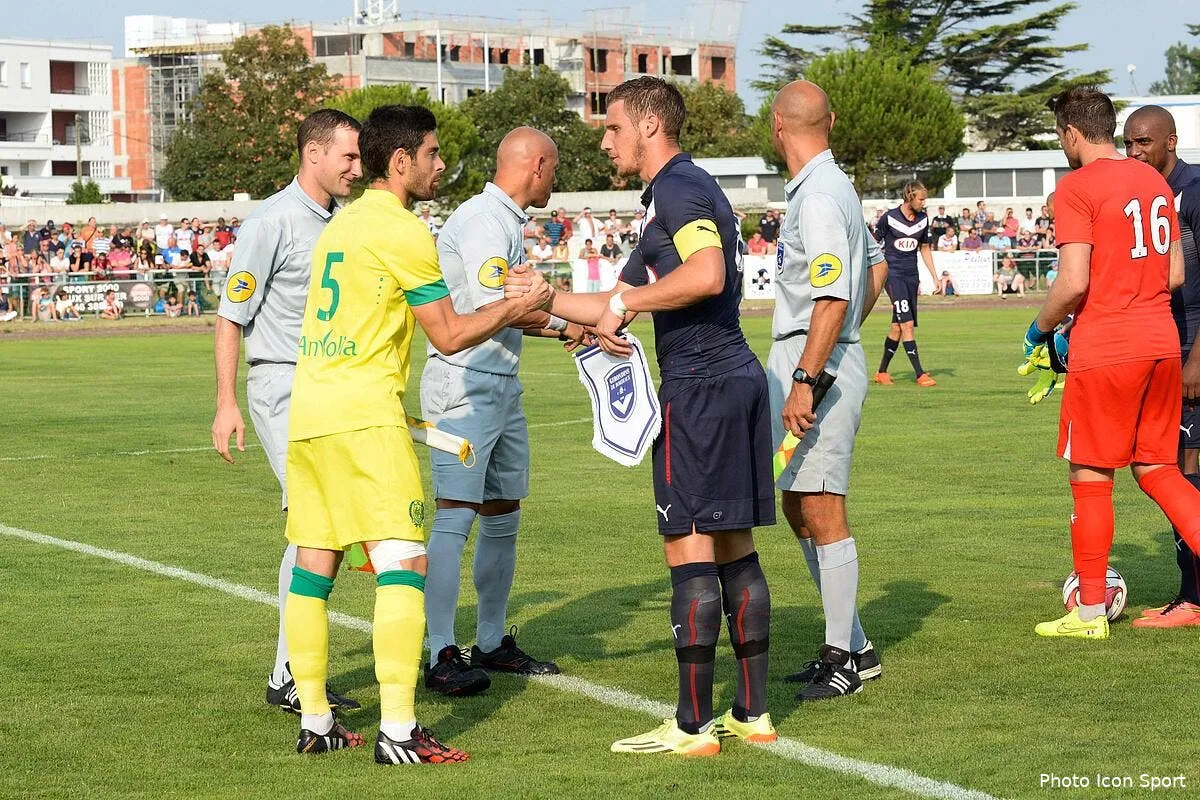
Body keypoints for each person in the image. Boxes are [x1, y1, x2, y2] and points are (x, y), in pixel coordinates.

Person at [283, 104, 554, 763]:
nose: (440, 165)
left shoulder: (340, 226)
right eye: (432, 154)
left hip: (310, 413)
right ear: (400, 161)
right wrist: (519, 305)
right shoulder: (402, 230)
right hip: (366, 417)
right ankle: (399, 730)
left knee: (313, 570)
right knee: (404, 565)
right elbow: (451, 333)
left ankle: (315, 720)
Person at [516, 76, 777, 756]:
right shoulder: (672, 196)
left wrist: (627, 309)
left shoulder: (679, 188)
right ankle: (753, 713)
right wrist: (544, 300)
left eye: (612, 128)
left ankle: (693, 728)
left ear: (649, 127)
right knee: (734, 546)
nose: (604, 141)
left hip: (703, 388)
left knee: (689, 546)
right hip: (733, 381)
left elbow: (707, 275)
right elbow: (617, 297)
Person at [1025, 86, 1200, 640]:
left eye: (1061, 136)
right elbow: (1174, 275)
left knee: (1091, 474)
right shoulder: (1152, 179)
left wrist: (1040, 328)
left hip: (1108, 348)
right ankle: (1092, 609)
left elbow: (1073, 281)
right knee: (1160, 469)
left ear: (1072, 134)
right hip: (1162, 342)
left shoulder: (1076, 187)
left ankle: (1090, 612)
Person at [210, 109, 365, 716]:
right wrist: (226, 403)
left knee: (317, 526)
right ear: (314, 155)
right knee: (311, 522)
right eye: (348, 157)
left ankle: (290, 670)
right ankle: (290, 675)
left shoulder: (341, 221)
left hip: (328, 385)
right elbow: (230, 315)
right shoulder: (271, 220)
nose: (357, 167)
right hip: (282, 384)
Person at [421, 127, 582, 698]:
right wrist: (572, 325)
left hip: (499, 381)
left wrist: (569, 328)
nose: (554, 180)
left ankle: (489, 639)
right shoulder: (485, 220)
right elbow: (501, 306)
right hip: (462, 385)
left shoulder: (503, 219)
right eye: (554, 168)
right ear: (537, 165)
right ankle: (438, 649)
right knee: (455, 515)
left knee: (502, 511)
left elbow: (513, 309)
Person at [766, 80, 889, 702]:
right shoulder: (831, 189)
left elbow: (835, 294)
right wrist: (839, 341)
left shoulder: (818, 195)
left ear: (776, 125)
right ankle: (856, 643)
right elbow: (878, 271)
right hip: (815, 349)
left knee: (821, 506)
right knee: (796, 503)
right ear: (831, 121)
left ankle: (844, 655)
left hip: (810, 359)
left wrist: (810, 375)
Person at [1123, 103, 1200, 628]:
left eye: (1144, 142)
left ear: (1170, 141)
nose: (1134, 152)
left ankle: (1194, 599)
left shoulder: (1193, 192)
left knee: (1183, 471)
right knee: (1172, 468)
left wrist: (1196, 358)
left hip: (1192, 351)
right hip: (1162, 350)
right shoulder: (1145, 195)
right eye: (1128, 143)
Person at [873, 181, 940, 386]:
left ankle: (882, 372)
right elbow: (873, 243)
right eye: (921, 199)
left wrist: (935, 277)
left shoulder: (923, 219)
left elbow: (925, 248)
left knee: (897, 327)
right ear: (910, 196)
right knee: (907, 324)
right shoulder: (889, 218)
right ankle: (920, 374)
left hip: (912, 276)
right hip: (894, 276)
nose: (923, 202)